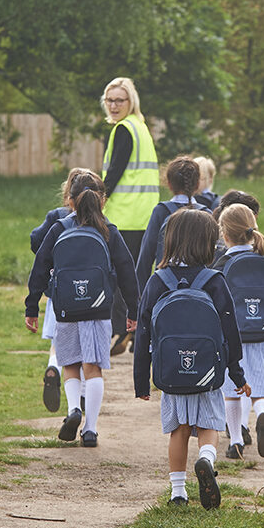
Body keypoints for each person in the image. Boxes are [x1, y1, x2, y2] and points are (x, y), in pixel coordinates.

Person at [133, 209, 250, 509]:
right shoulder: (215, 281)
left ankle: (177, 493)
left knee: (179, 431)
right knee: (209, 425)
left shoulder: (157, 281)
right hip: (208, 374)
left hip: (171, 372)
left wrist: (141, 382)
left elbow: (143, 332)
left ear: (170, 241)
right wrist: (236, 373)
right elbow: (230, 331)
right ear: (209, 244)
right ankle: (206, 459)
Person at [24, 169, 139, 447]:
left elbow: (39, 268)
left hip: (65, 310)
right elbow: (127, 272)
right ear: (102, 200)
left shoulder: (58, 228)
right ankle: (90, 428)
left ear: (71, 201)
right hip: (98, 311)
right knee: (93, 367)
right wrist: (133, 312)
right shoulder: (108, 231)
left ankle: (74, 408)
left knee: (70, 364)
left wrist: (32, 306)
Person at [212, 204, 264, 459]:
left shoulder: (222, 264)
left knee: (232, 394)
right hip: (261, 338)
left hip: (231, 340)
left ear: (224, 234)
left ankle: (236, 442)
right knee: (261, 391)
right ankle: (263, 415)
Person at [100, 77, 158, 356]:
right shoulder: (141, 128)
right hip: (144, 214)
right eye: (109, 100)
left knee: (119, 276)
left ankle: (123, 328)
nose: (113, 105)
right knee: (138, 276)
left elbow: (115, 171)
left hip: (124, 214)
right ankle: (139, 331)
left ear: (130, 102)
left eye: (119, 100)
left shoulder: (124, 129)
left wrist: (98, 199)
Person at [29, 169, 84, 414]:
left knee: (59, 342)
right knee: (83, 348)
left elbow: (35, 239)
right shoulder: (95, 220)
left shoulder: (57, 217)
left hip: (58, 292)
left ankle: (53, 366)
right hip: (89, 294)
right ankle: (81, 395)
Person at [134, 155, 211, 293]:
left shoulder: (161, 211)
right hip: (200, 288)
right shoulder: (206, 214)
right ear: (198, 184)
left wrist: (138, 297)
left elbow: (146, 255)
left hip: (165, 286)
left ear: (169, 183)